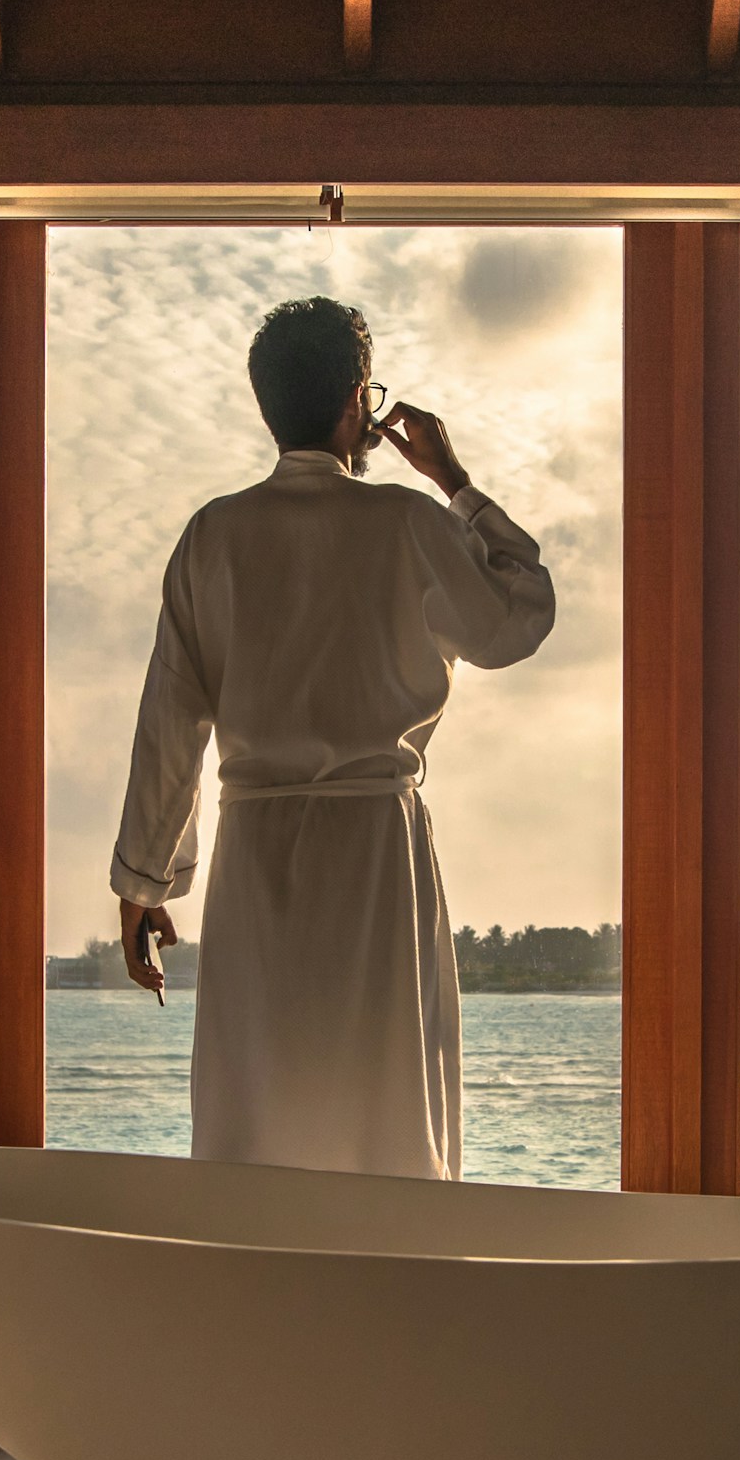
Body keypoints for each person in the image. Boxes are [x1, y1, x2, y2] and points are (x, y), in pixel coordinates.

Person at [109, 296, 555, 1178]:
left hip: (258, 859)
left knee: (255, 1122)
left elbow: (170, 720)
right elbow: (518, 617)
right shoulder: (408, 524)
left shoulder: (214, 536)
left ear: (267, 403)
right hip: (376, 856)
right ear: (360, 401)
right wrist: (453, 480)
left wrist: (143, 881)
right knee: (386, 1113)